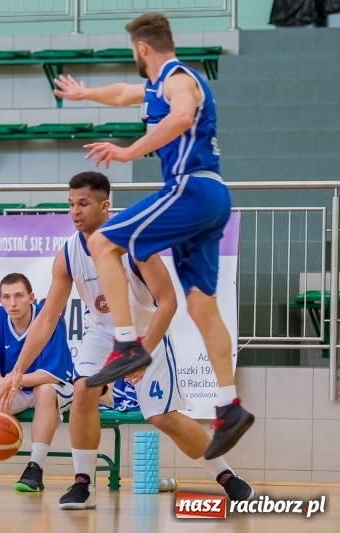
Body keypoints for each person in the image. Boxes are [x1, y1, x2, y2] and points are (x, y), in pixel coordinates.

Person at [51, 12, 253, 459]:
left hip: (190, 187)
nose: (133, 59)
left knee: (104, 242)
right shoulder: (155, 85)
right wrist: (86, 93)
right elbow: (123, 92)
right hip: (211, 197)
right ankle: (228, 404)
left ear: (142, 48)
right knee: (201, 304)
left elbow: (181, 118)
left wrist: (129, 151)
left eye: (132, 51)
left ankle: (126, 343)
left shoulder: (179, 79)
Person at [0, 172, 254, 509]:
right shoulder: (68, 254)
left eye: (83, 204)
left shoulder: (136, 245)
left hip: (148, 333)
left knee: (163, 417)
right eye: (71, 204)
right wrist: (17, 370)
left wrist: (143, 351)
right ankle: (83, 483)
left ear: (105, 206)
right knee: (84, 388)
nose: (75, 211)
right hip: (102, 331)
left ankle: (225, 476)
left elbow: (168, 301)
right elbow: (46, 318)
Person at [0, 273, 73, 493]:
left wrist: (11, 383)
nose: (13, 302)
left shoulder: (49, 318)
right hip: (13, 388)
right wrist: (3, 385)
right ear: (0, 299)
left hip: (52, 386)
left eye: (19, 296)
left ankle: (35, 469)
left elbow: (51, 374)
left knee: (45, 390)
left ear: (31, 297)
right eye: (7, 297)